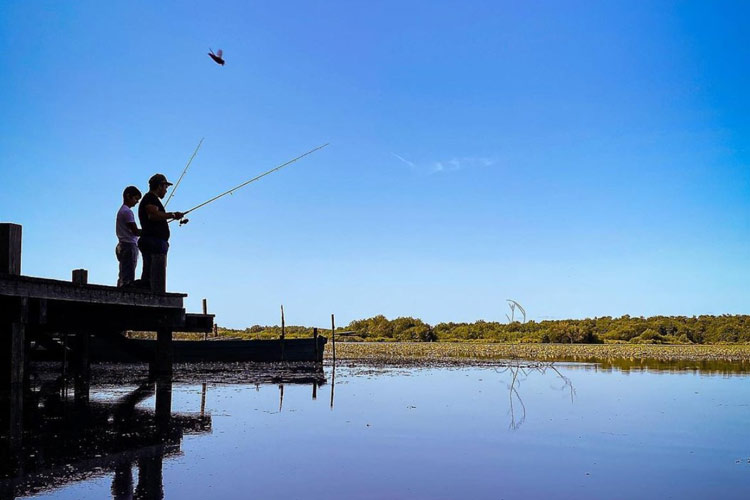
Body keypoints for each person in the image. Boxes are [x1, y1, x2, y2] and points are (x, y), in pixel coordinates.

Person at [138, 174, 184, 292]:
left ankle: (148, 290)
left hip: (154, 241)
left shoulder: (152, 199)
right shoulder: (150, 198)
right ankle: (152, 294)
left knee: (150, 274)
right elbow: (152, 215)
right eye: (165, 187)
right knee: (154, 277)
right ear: (159, 186)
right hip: (154, 242)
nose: (166, 190)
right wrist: (172, 215)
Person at [115, 186, 142, 287]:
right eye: (136, 198)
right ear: (128, 196)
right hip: (129, 246)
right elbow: (135, 231)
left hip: (122, 245)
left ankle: (121, 288)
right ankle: (125, 291)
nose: (137, 202)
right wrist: (149, 230)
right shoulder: (127, 212)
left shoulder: (121, 211)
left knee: (123, 273)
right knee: (128, 276)